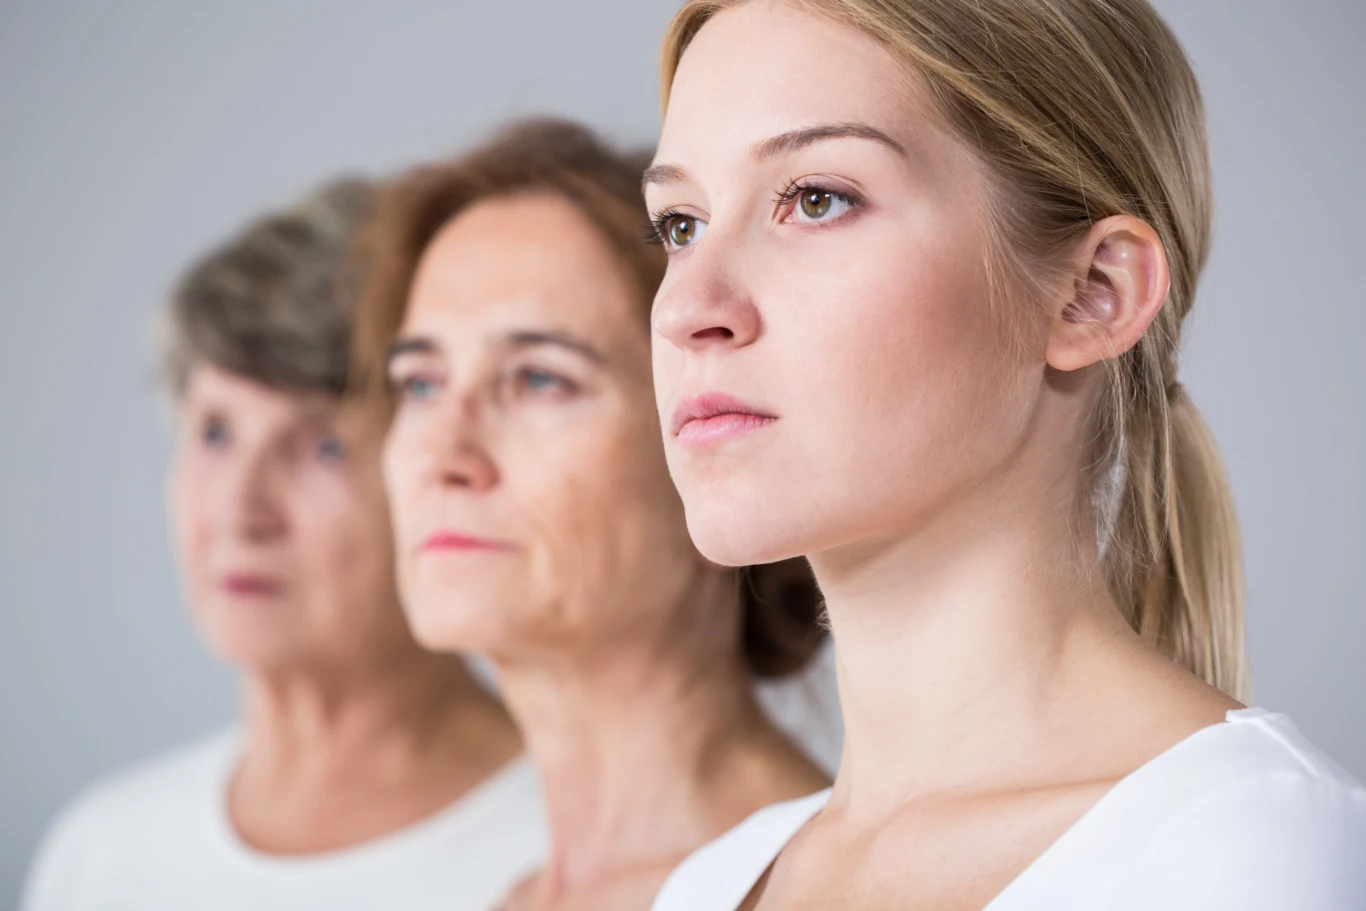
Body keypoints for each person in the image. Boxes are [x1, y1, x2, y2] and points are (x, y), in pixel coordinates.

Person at [642, 1, 1366, 909]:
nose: (685, 306)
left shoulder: (1249, 850)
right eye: (678, 224)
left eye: (817, 198)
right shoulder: (709, 885)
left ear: (1092, 293)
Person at [21, 179, 544, 911]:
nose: (241, 509)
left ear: (439, 471)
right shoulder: (101, 854)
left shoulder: (575, 854)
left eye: (322, 445)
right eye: (215, 432)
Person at [353, 118, 833, 911]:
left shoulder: (835, 891)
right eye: (421, 383)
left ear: (709, 429)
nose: (444, 452)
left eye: (540, 379)